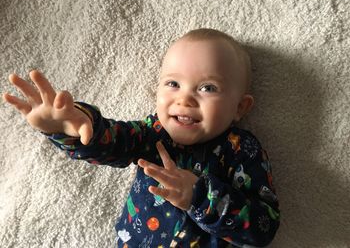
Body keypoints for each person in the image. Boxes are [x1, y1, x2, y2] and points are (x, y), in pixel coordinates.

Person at [3, 28, 280, 247]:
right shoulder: (153, 134)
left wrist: (199, 196)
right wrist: (72, 126)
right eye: (173, 83)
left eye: (208, 88)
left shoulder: (241, 149)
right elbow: (113, 141)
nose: (184, 98)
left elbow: (262, 227)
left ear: (240, 107)